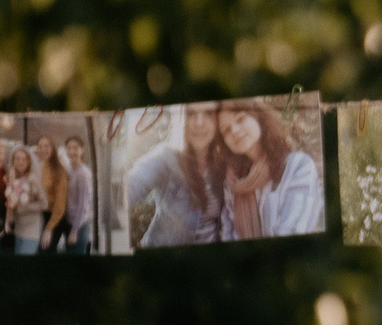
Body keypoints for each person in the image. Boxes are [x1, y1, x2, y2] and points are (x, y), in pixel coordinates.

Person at [216, 104, 324, 240]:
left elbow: (294, 232)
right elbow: (229, 234)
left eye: (240, 119)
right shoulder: (233, 183)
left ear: (259, 118)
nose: (235, 130)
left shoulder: (297, 166)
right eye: (226, 130)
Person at [126, 104, 224, 248]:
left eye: (208, 113)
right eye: (191, 114)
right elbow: (127, 190)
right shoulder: (165, 158)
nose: (199, 122)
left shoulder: (224, 161)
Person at [58, 133, 97, 252]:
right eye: (69, 148)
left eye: (75, 148)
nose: (72, 151)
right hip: (68, 222)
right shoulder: (69, 169)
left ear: (82, 150)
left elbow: (83, 205)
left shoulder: (83, 173)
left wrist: (74, 231)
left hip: (79, 226)